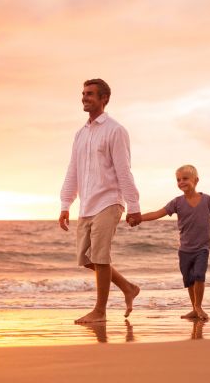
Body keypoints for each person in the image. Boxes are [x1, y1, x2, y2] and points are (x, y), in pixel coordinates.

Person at [59, 78, 142, 324]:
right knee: (86, 258)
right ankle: (128, 288)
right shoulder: (80, 134)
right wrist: (65, 204)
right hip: (87, 204)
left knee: (100, 256)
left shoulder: (115, 130)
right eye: (83, 93)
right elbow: (72, 170)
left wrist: (133, 206)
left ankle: (100, 312)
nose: (85, 97)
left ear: (104, 98)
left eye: (91, 94)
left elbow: (124, 170)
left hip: (109, 200)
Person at [129, 164, 210, 320]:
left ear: (196, 180)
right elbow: (158, 213)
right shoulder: (176, 202)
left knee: (199, 275)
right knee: (189, 280)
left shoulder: (207, 200)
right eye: (178, 179)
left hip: (202, 248)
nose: (181, 182)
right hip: (184, 250)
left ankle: (198, 307)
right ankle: (194, 309)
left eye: (185, 178)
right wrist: (139, 217)